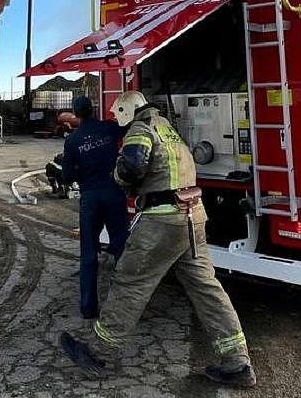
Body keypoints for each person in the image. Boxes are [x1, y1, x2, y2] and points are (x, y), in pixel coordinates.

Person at [59, 91, 256, 389]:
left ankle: (98, 354)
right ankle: (237, 362)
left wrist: (119, 179)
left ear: (126, 110)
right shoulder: (167, 127)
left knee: (130, 281)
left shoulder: (140, 129)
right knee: (206, 288)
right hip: (193, 216)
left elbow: (131, 167)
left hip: (162, 220)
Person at [60, 96, 129, 318]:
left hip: (90, 197)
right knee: (122, 248)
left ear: (75, 114)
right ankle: (125, 303)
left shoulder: (72, 140)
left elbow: (66, 176)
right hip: (114, 193)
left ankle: (88, 308)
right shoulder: (108, 128)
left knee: (89, 252)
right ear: (93, 109)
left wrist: (82, 171)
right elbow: (128, 128)